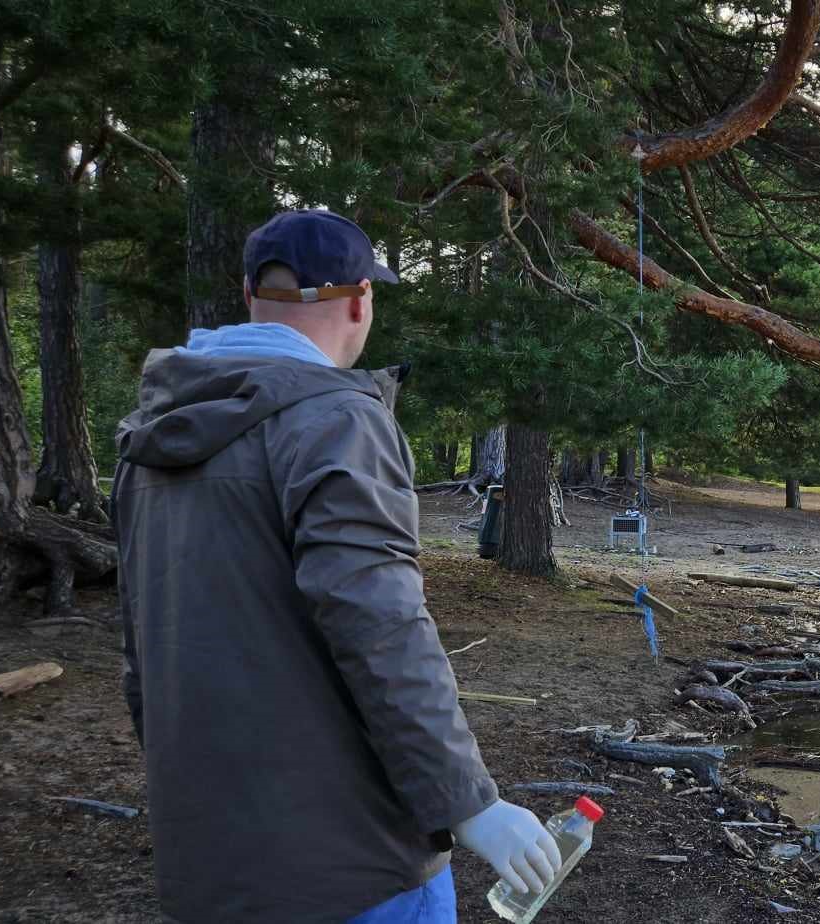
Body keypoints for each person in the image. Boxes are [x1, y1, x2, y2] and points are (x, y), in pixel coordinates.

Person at [111, 210, 560, 923]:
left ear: (251, 291)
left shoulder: (151, 433)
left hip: (207, 863)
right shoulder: (335, 420)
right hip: (354, 872)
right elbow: (381, 626)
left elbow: (141, 645)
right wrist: (470, 804)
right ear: (359, 299)